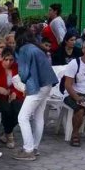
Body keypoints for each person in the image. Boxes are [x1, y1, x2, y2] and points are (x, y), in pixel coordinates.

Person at [14, 28, 59, 160]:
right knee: (38, 116)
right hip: (47, 84)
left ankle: (28, 150)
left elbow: (24, 72)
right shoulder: (37, 48)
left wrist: (23, 84)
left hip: (36, 85)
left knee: (23, 117)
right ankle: (34, 147)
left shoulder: (23, 50)